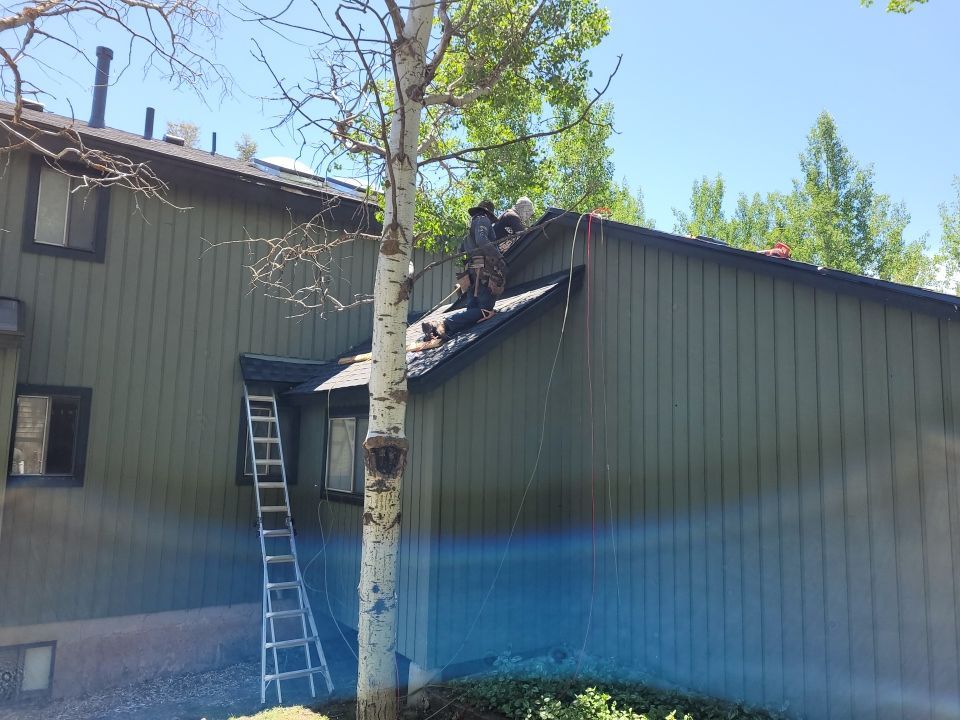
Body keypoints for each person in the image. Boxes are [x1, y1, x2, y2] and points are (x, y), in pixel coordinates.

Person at [422, 200, 506, 341]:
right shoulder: (483, 219)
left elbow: (461, 250)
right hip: (483, 275)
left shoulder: (469, 229)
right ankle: (443, 323)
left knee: (472, 313)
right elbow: (482, 240)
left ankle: (436, 332)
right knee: (486, 310)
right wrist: (499, 258)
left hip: (472, 275)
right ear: (488, 214)